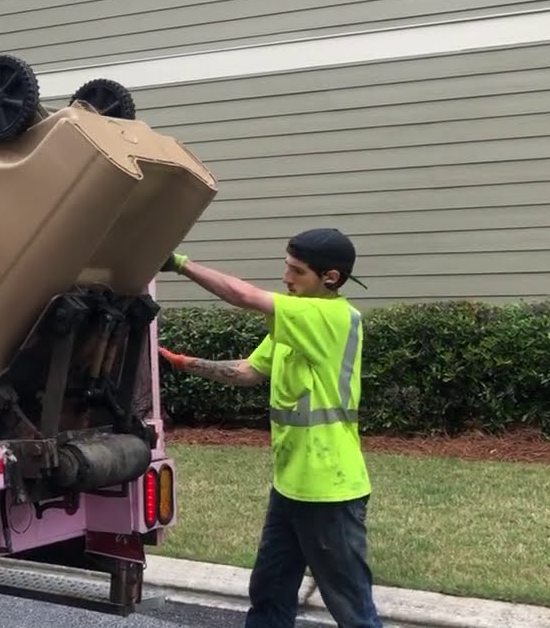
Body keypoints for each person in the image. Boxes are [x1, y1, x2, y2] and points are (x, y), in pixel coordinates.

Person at [158, 228, 382, 628]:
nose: (286, 278)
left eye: (297, 271)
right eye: (286, 266)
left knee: (351, 609)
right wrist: (180, 362)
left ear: (330, 278)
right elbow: (248, 372)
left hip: (329, 490)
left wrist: (180, 264)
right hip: (290, 486)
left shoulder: (332, 317)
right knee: (269, 593)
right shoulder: (295, 323)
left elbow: (243, 296)